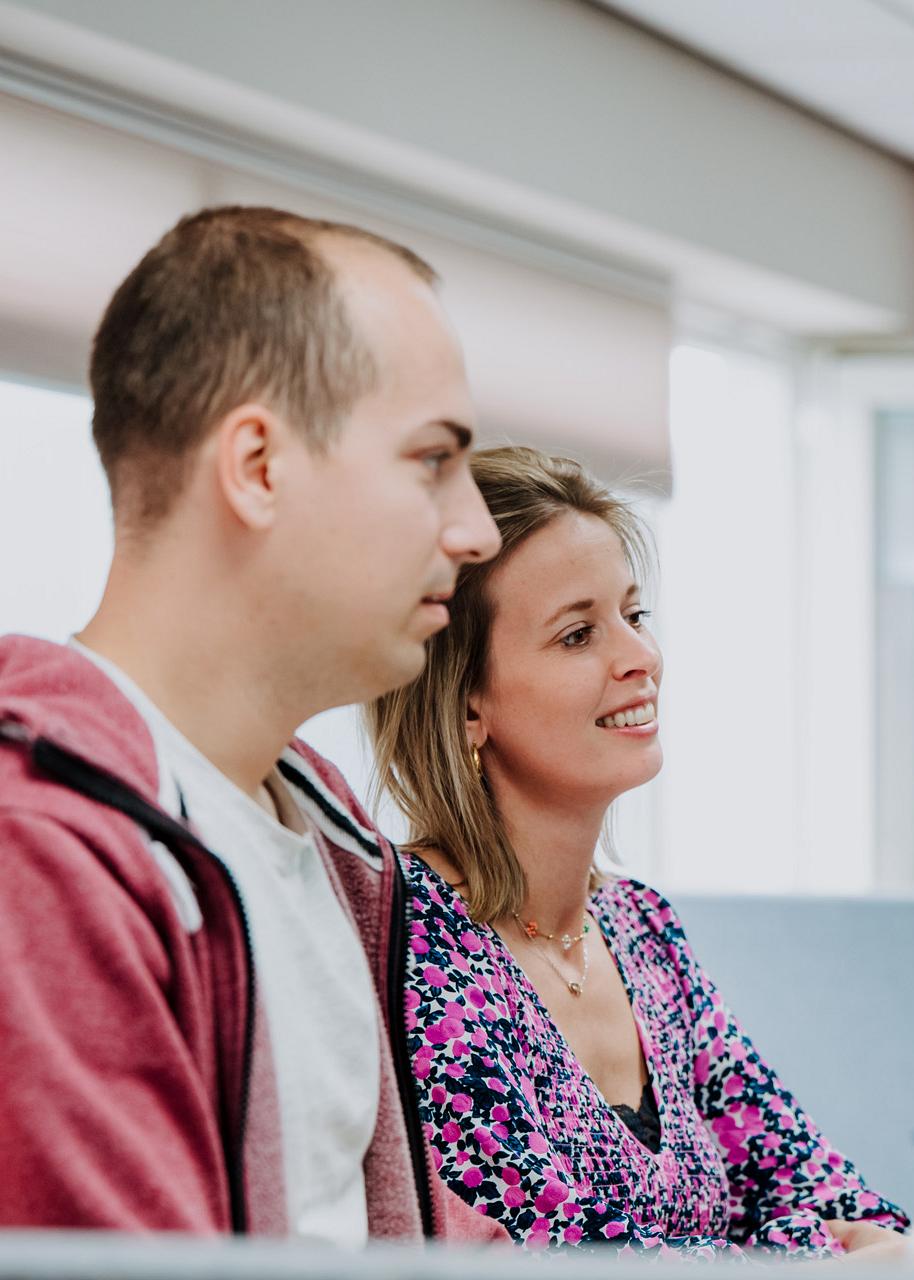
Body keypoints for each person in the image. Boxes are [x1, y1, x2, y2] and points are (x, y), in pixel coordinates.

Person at [0, 206, 507, 1242]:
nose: (475, 528)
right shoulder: (45, 855)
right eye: (430, 459)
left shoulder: (330, 845)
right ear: (258, 467)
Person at [367, 444, 910, 1259]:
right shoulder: (417, 943)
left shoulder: (641, 929)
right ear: (466, 703)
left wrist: (835, 1238)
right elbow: (562, 1260)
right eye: (579, 633)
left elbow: (810, 1176)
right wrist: (816, 1254)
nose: (640, 657)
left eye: (635, 614)